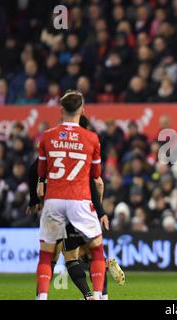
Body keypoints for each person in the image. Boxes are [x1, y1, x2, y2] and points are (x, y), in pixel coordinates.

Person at [27, 115, 125, 300]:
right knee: (92, 251)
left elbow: (34, 171)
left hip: (57, 206)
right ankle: (101, 294)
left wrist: (35, 198)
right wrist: (98, 210)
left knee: (63, 257)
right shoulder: (85, 147)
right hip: (82, 207)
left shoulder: (54, 145)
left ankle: (81, 295)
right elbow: (98, 183)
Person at [35, 90, 105, 300]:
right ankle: (99, 295)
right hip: (79, 199)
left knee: (46, 255)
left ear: (61, 110)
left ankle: (42, 298)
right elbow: (96, 175)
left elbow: (41, 171)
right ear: (82, 110)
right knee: (97, 250)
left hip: (54, 199)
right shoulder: (91, 138)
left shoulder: (47, 136)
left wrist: (41, 186)